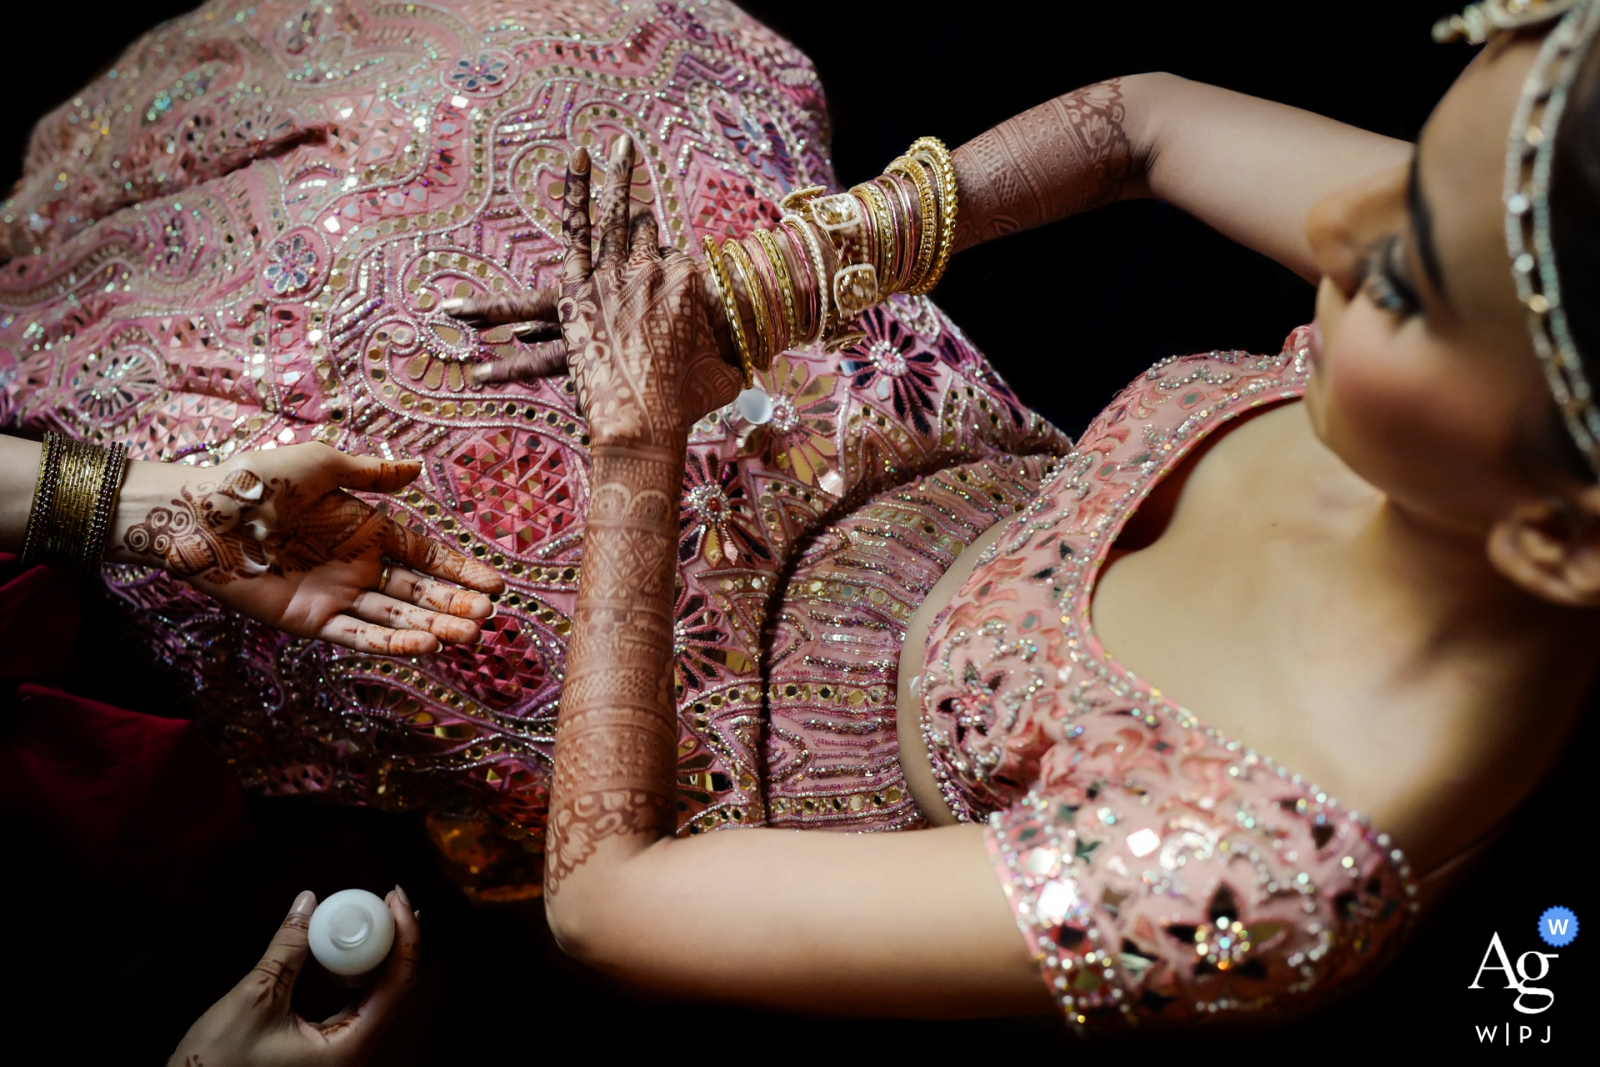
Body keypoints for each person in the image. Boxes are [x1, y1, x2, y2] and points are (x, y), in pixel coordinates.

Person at [451, 0, 1600, 1027]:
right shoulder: (1497, 327)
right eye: (1403, 180)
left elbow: (605, 899)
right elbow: (1148, 126)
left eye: (1400, 279)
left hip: (731, 799)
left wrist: (637, 442)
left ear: (1563, 536)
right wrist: (765, 291)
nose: (1338, 224)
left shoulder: (1244, 878)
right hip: (912, 484)